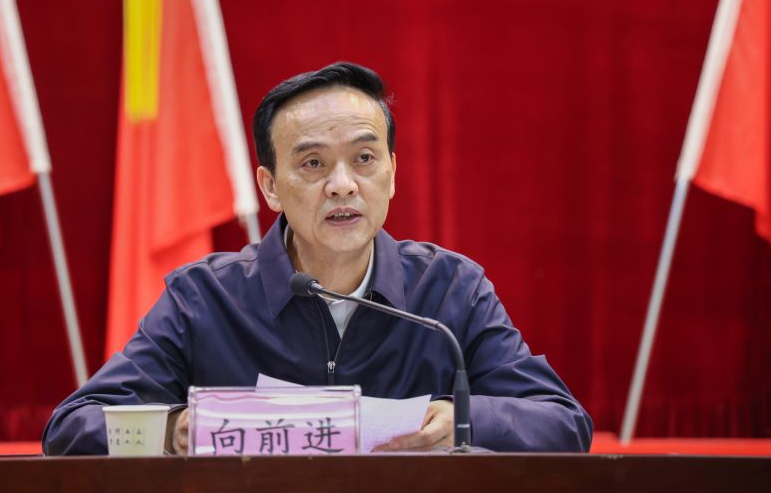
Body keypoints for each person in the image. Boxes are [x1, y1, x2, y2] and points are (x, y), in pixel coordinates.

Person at [42, 61, 593, 455]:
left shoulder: (451, 289)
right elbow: (71, 427)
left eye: (365, 158)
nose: (343, 185)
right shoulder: (202, 299)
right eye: (312, 164)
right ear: (270, 187)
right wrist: (174, 430)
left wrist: (463, 420)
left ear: (392, 173)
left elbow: (563, 423)